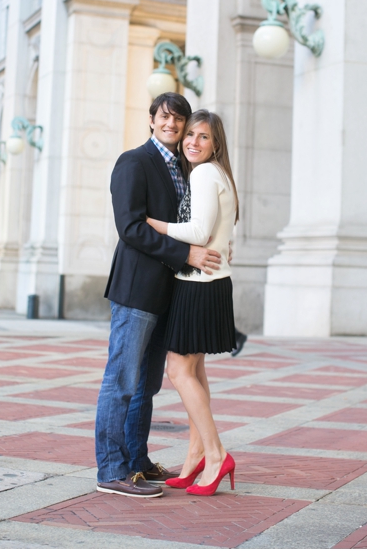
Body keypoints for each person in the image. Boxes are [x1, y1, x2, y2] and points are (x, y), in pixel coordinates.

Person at [96, 93, 222, 498]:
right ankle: (112, 470)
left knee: (147, 385)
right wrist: (187, 253)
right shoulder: (133, 162)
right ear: (152, 120)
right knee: (122, 381)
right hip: (136, 290)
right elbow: (131, 227)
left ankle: (136, 461)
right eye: (165, 117)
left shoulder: (184, 168)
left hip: (167, 292)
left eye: (179, 120)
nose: (172, 125)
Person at [145, 109, 239, 496]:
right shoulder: (220, 175)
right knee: (195, 371)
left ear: (216, 144)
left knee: (178, 371)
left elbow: (198, 231)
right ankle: (195, 456)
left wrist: (154, 224)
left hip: (198, 283)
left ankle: (216, 454)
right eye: (191, 135)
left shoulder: (203, 173)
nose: (193, 142)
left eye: (203, 137)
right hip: (212, 282)